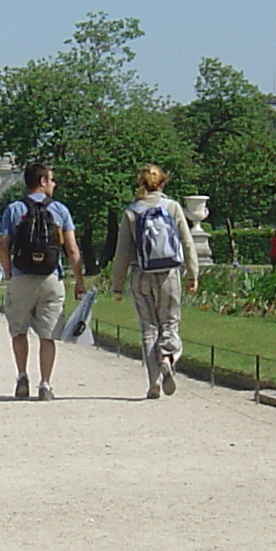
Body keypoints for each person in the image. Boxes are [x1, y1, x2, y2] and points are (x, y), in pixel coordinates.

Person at [108, 164, 200, 398]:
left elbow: (123, 252)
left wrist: (117, 286)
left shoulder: (132, 211)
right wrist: (193, 274)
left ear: (141, 184)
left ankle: (154, 382)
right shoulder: (172, 207)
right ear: (162, 183)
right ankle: (168, 358)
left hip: (141, 274)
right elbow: (187, 243)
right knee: (169, 323)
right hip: (168, 273)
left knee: (148, 329)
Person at [0, 162, 85, 401]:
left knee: (19, 331)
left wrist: (8, 274)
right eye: (52, 179)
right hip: (50, 277)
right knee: (48, 335)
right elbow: (72, 249)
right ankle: (45, 384)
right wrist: (79, 281)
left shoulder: (14, 209)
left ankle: (22, 376)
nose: (54, 183)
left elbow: (3, 246)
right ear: (43, 182)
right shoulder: (60, 210)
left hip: (21, 276)